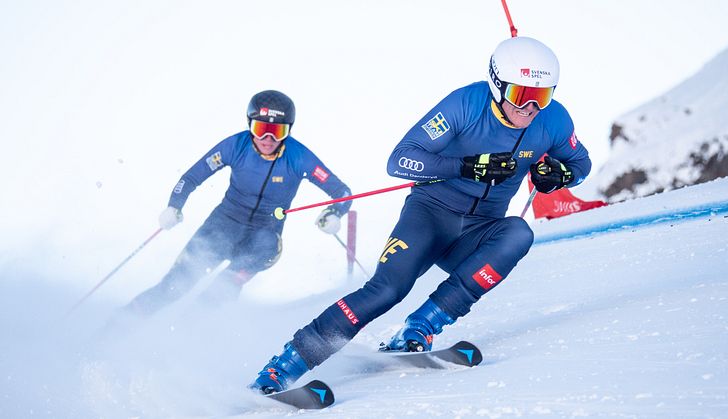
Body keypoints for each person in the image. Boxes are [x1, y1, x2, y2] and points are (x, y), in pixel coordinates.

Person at [250, 37, 592, 393]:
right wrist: (466, 167)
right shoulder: (465, 105)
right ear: (497, 83)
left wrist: (561, 174)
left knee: (519, 233)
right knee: (387, 290)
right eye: (522, 94)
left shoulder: (554, 120)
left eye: (543, 95)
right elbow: (400, 160)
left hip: (479, 231)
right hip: (430, 217)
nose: (532, 107)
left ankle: (420, 327)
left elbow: (581, 163)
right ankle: (282, 369)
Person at [122, 90, 352, 316]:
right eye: (261, 129)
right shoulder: (235, 146)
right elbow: (190, 178)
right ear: (249, 125)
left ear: (288, 130)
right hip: (222, 225)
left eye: (277, 132)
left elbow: (342, 191)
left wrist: (334, 212)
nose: (267, 139)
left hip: (263, 236)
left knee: (221, 290)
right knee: (175, 286)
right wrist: (174, 205)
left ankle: (192, 334)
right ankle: (119, 323)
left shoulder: (299, 156)